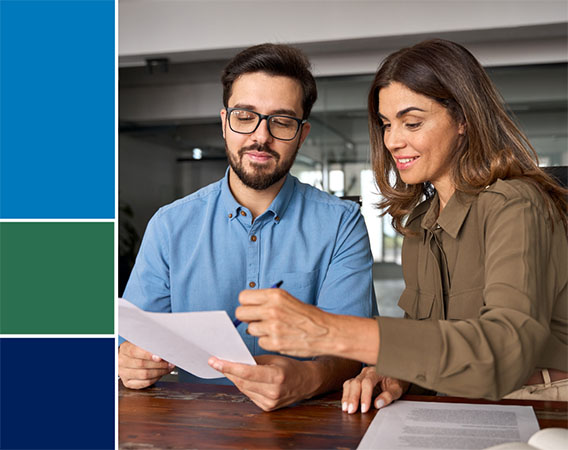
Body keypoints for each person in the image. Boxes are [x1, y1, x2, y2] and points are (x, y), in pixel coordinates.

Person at [235, 39, 568, 413]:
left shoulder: (517, 205)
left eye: (412, 122)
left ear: (464, 119)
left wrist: (329, 331)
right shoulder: (421, 223)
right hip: (456, 403)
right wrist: (395, 371)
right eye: (386, 124)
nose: (392, 140)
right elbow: (431, 337)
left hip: (539, 406)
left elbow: (504, 355)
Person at [118, 43, 380, 411]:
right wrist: (129, 361)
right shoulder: (169, 225)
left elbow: (354, 350)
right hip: (195, 425)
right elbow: (132, 338)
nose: (261, 136)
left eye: (282, 121)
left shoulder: (341, 224)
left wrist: (306, 379)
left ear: (302, 135)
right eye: (245, 116)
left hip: (308, 424)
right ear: (224, 122)